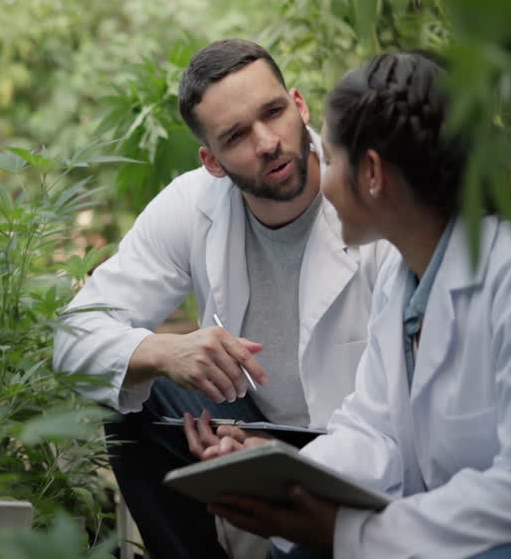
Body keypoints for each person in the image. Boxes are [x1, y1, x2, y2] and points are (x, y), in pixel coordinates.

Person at [184, 51, 511, 558]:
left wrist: (351, 534)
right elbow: (373, 432)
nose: (324, 179)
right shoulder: (402, 283)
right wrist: (277, 470)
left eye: (333, 159)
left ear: (372, 173)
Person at [53, 39, 394, 559]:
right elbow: (74, 337)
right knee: (132, 394)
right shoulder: (192, 205)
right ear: (211, 160)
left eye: (274, 113)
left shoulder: (372, 193)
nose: (267, 142)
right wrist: (167, 353)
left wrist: (282, 457)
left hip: (360, 438)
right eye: (237, 135)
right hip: (256, 418)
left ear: (300, 107)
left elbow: (402, 409)